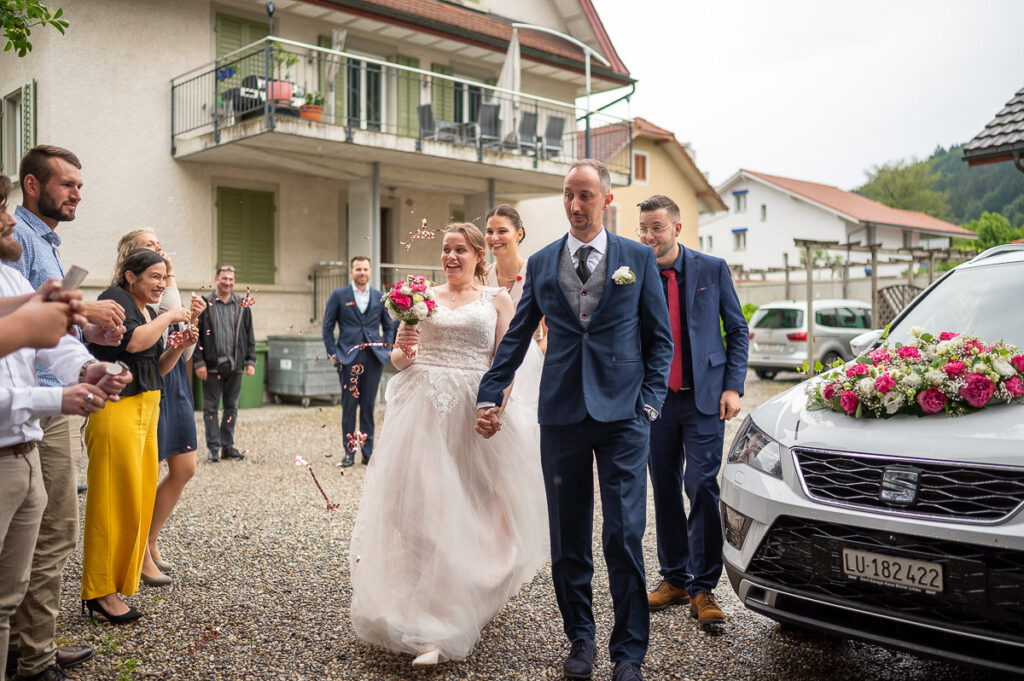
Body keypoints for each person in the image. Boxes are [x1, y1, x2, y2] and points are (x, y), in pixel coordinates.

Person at [476, 160, 673, 681]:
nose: (575, 204)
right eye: (568, 195)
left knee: (625, 535)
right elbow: (517, 336)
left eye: (585, 195)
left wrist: (650, 403)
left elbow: (660, 340)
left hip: (625, 418)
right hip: (562, 412)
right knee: (568, 536)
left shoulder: (637, 259)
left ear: (606, 199)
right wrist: (490, 392)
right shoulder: (541, 264)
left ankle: (629, 651)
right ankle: (580, 639)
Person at [349, 223, 547, 668]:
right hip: (422, 414)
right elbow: (399, 361)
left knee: (473, 508)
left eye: (460, 250)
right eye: (445, 250)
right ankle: (429, 628)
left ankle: (465, 595)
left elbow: (506, 360)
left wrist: (496, 408)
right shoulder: (420, 297)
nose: (451, 257)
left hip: (472, 412)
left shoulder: (497, 299)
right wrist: (405, 347)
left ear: (479, 255)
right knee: (421, 512)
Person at [0, 173, 131, 681]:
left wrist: (84, 368)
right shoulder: (22, 250)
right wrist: (59, 396)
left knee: (11, 592)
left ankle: (31, 658)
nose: (11, 218)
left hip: (25, 445)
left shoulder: (11, 269)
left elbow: (45, 334)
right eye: (2, 208)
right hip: (21, 433)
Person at [637, 195, 748, 627]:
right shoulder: (634, 272)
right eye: (643, 229)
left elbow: (736, 330)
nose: (648, 237)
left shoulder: (711, 269)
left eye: (657, 228)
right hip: (655, 402)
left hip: (703, 400)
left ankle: (704, 588)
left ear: (677, 229)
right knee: (662, 487)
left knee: (701, 486)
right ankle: (675, 578)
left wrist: (733, 386)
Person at [81, 248, 197, 624]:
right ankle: (100, 591)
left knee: (137, 500)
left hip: (147, 407)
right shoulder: (114, 299)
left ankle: (119, 581)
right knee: (112, 502)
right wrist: (170, 318)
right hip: (117, 409)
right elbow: (131, 343)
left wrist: (176, 349)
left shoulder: (148, 311)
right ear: (131, 276)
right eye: (154, 277)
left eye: (164, 278)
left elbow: (156, 366)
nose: (161, 284)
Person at [111, 230, 206, 585]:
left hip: (173, 376)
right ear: (131, 259)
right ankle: (139, 552)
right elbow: (149, 333)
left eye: (159, 243)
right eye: (150, 244)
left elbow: (181, 344)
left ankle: (151, 540)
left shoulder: (161, 282)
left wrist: (192, 319)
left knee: (185, 467)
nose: (159, 247)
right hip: (145, 381)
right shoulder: (128, 296)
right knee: (145, 471)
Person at [321, 256, 396, 467]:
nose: (362, 273)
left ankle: (367, 451)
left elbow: (388, 326)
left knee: (368, 406)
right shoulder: (338, 295)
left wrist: (388, 347)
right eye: (358, 269)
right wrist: (333, 353)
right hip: (348, 357)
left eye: (365, 269)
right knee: (349, 406)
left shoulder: (380, 296)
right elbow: (327, 327)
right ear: (351, 272)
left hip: (373, 356)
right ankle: (349, 452)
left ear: (370, 272)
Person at [194, 265, 255, 463]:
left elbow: (249, 333)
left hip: (235, 365)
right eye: (224, 278)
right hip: (211, 367)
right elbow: (197, 336)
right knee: (211, 409)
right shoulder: (205, 303)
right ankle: (214, 448)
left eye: (231, 279)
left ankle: (227, 447)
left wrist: (251, 360)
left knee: (231, 409)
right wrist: (199, 362)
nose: (227, 282)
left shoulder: (242, 305)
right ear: (216, 279)